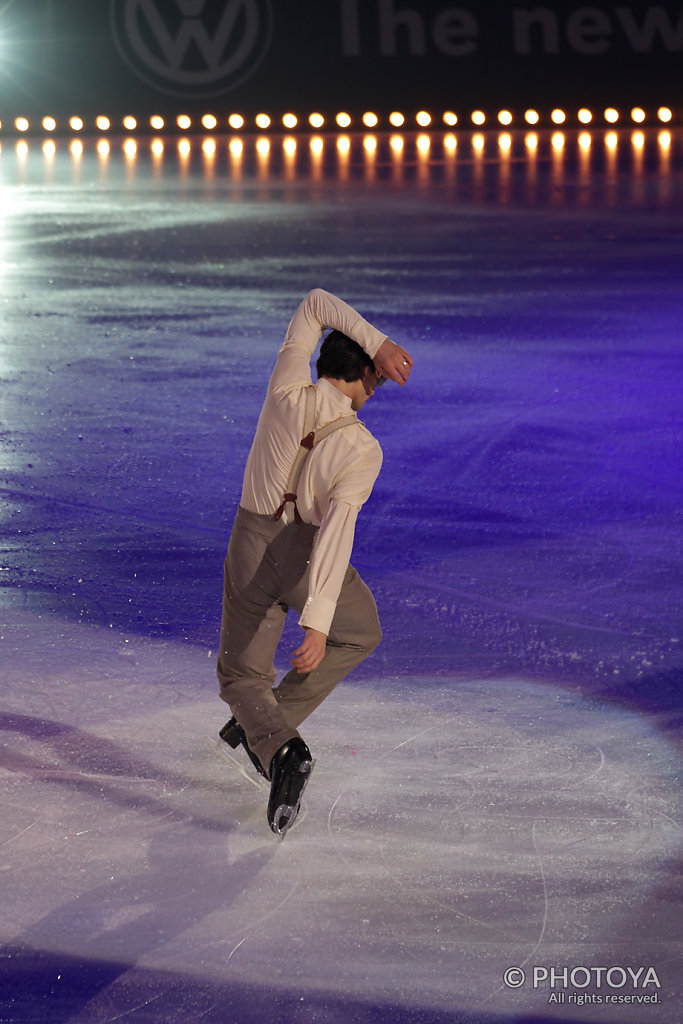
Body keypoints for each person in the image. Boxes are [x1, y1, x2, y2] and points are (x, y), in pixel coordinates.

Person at [216, 288, 412, 836]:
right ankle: (263, 731)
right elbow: (336, 536)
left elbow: (315, 303)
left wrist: (379, 342)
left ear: (322, 360)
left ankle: (274, 743)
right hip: (305, 562)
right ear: (367, 377)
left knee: (241, 675)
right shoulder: (362, 449)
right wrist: (319, 623)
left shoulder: (284, 388)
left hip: (253, 548)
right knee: (362, 629)